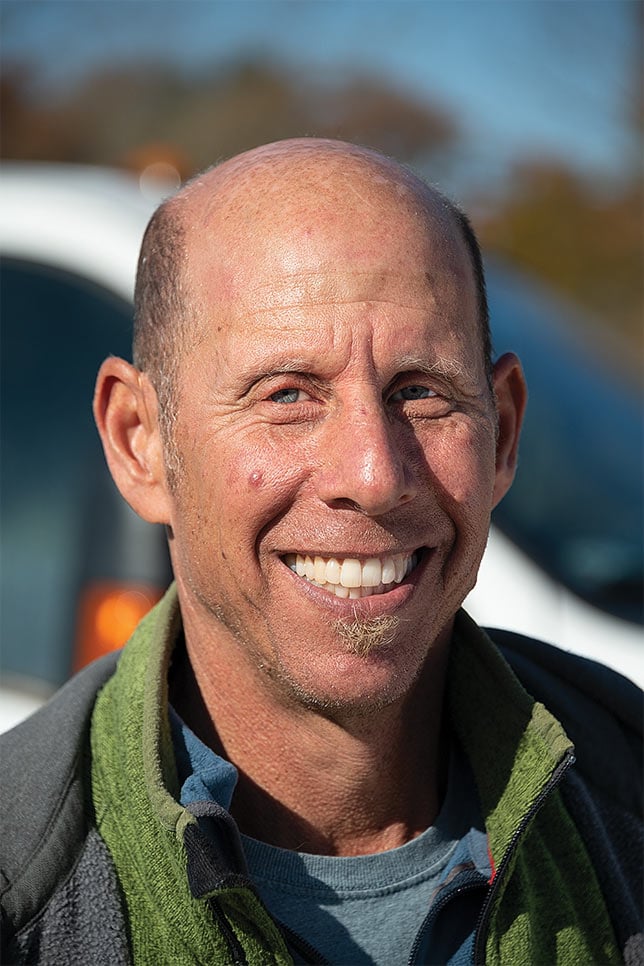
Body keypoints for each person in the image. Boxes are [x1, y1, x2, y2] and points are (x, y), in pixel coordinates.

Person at [1, 139, 641, 966]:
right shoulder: (23, 893)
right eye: (288, 394)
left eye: (422, 391)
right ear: (140, 443)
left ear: (503, 434)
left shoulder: (622, 794)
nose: (374, 476)